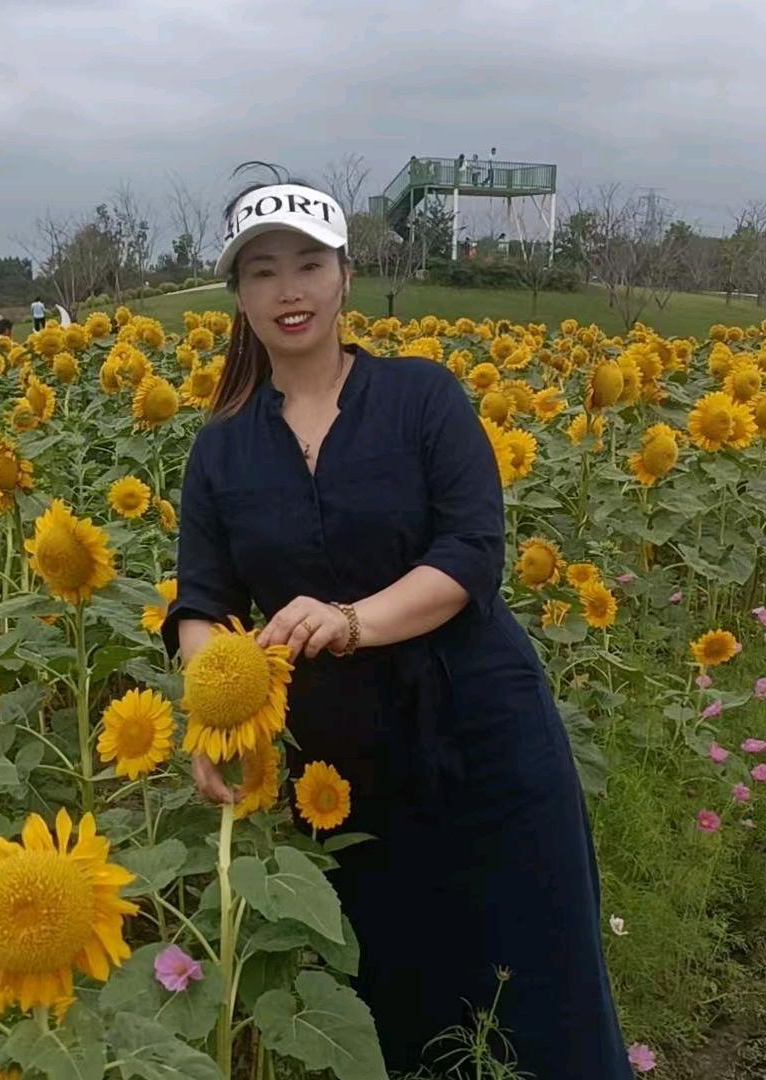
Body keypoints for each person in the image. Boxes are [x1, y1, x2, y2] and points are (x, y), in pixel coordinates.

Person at [161, 165, 632, 1079]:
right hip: (347, 771)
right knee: (400, 1005)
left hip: (485, 734)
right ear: (238, 297)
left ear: (344, 274)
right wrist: (218, 711)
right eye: (262, 271)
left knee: (547, 988)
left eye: (307, 263)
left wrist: (349, 620)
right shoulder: (220, 449)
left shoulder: (423, 397)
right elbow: (201, 604)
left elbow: (469, 556)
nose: (287, 289)